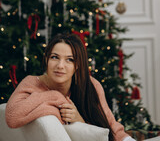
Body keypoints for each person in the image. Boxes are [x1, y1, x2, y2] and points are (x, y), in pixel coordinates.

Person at [5, 33, 135, 141]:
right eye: (55, 57)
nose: (60, 65)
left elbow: (111, 126)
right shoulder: (31, 83)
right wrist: (55, 97)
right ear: (46, 60)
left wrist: (79, 120)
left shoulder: (91, 85)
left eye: (69, 60)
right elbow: (12, 117)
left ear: (77, 65)